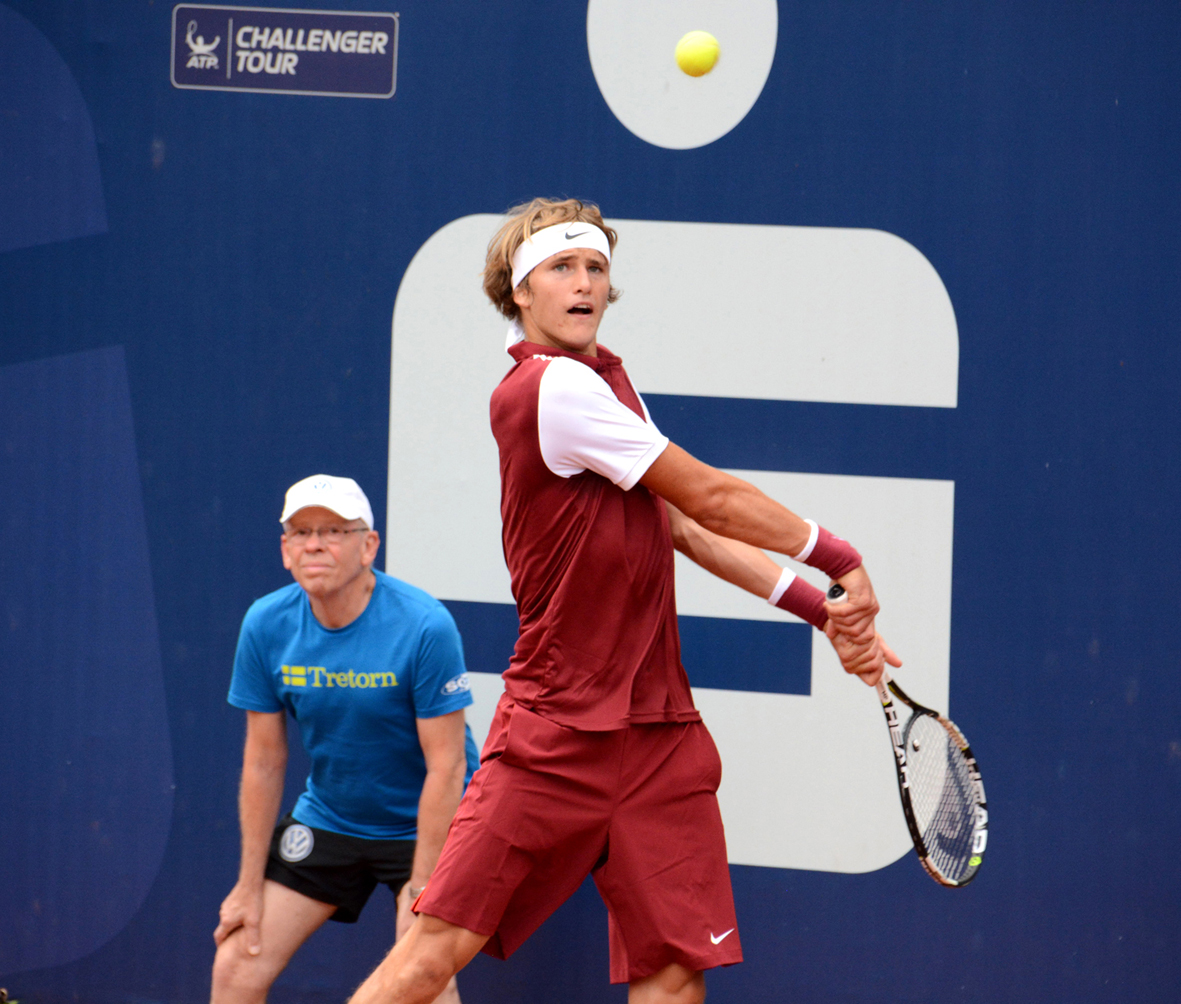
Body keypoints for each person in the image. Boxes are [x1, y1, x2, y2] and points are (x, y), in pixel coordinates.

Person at [347, 199, 900, 1004]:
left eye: (596, 268)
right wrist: (842, 560)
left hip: (659, 740)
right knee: (432, 956)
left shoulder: (604, 383)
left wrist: (823, 614)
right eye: (561, 268)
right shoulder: (548, 392)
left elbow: (679, 527)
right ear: (519, 292)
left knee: (674, 974)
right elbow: (708, 497)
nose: (583, 284)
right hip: (554, 732)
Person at [210, 474, 478, 1004]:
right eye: (301, 531)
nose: (315, 543)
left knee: (423, 974)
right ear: (285, 551)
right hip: (331, 817)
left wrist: (423, 885)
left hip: (428, 823)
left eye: (333, 530)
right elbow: (264, 761)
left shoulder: (425, 625)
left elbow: (446, 766)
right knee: (237, 959)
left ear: (368, 546)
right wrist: (247, 886)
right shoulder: (266, 624)